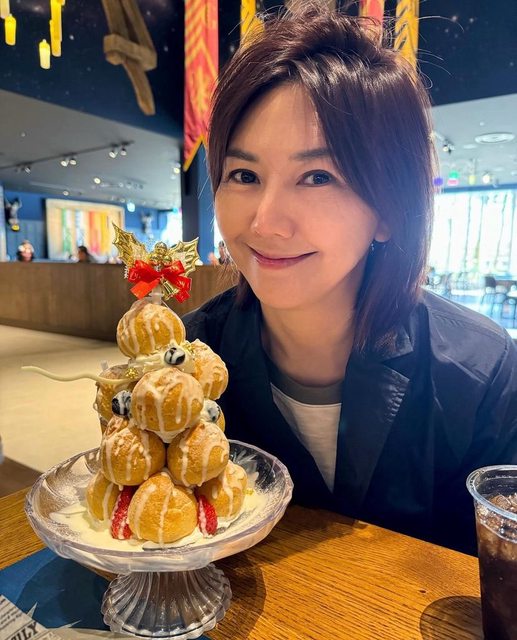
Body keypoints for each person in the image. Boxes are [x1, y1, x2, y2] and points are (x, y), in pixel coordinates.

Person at [183, 3, 517, 555]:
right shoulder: (188, 361)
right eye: (244, 174)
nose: (265, 222)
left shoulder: (480, 373)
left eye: (317, 176)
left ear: (388, 209)